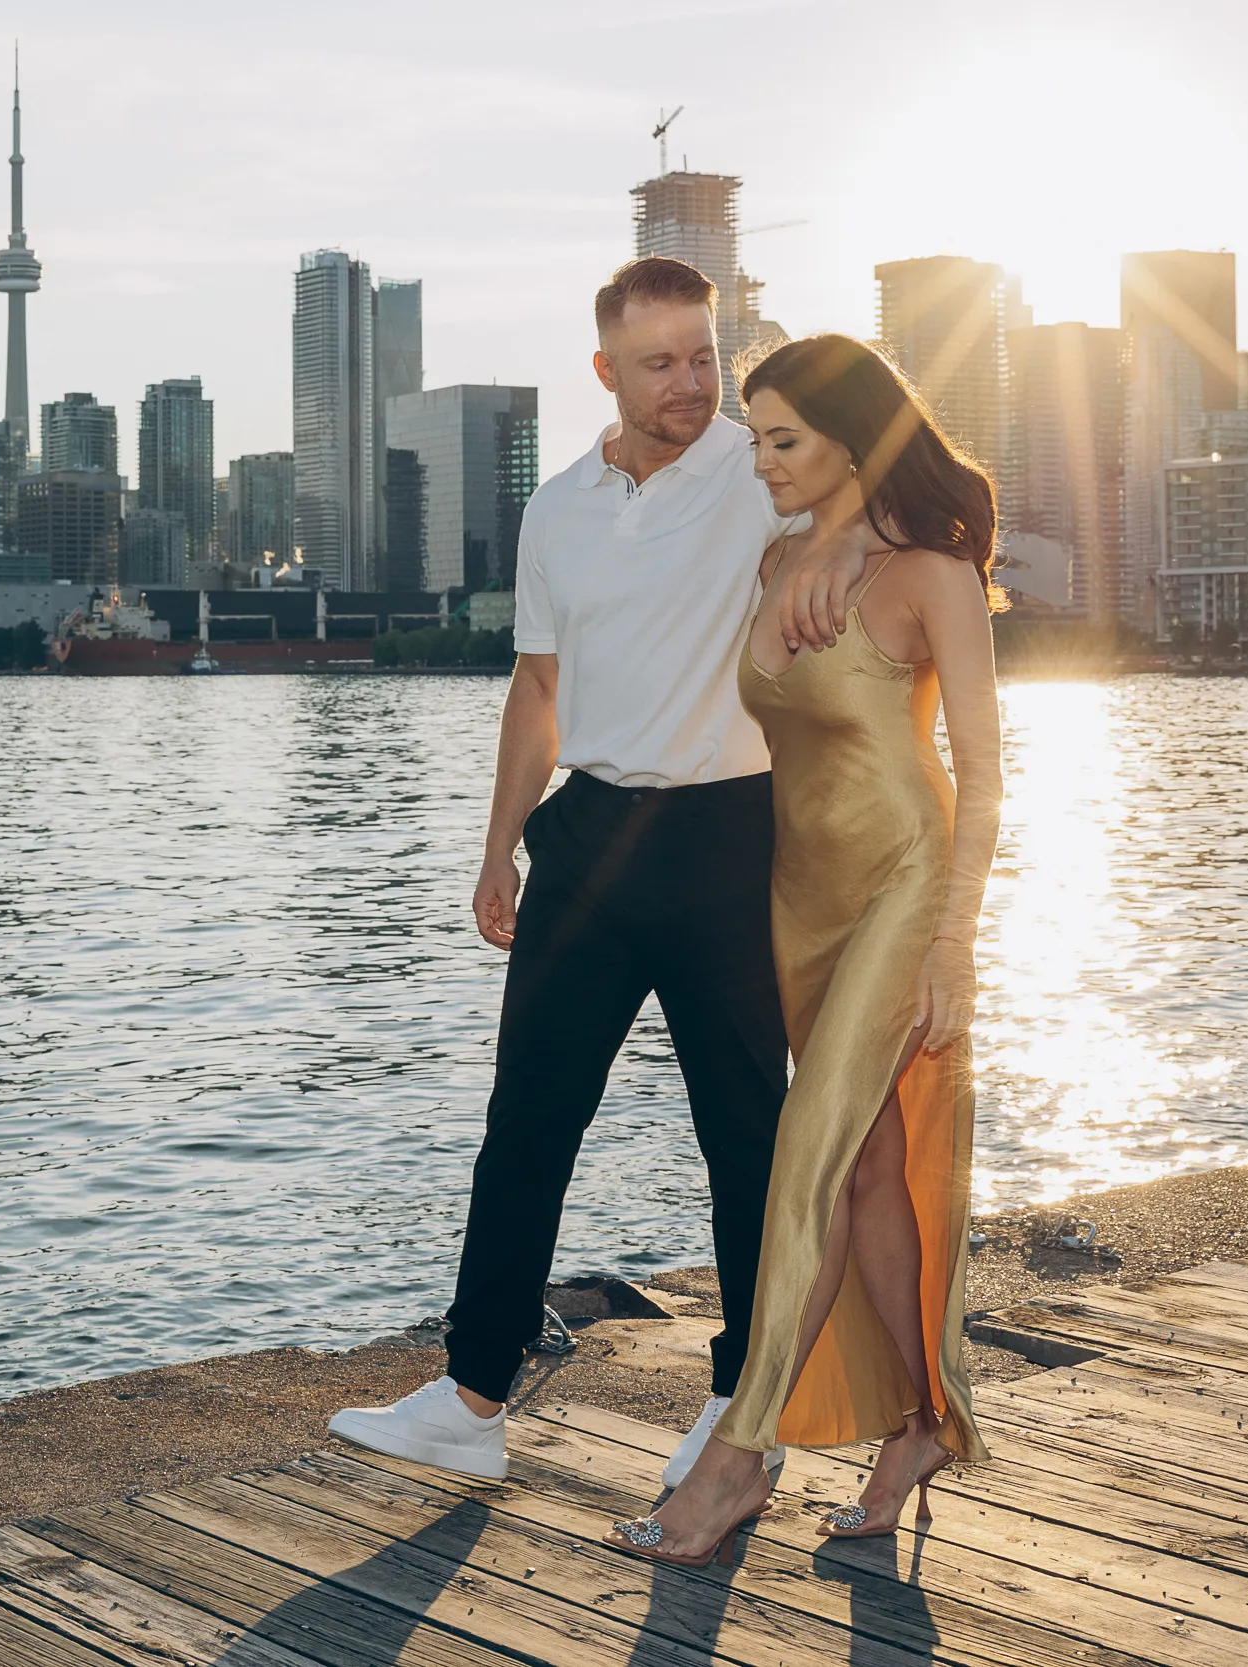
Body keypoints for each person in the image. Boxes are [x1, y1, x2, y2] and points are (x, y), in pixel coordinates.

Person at [327, 257, 858, 1485]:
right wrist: (498, 841)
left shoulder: (758, 470)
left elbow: (878, 499)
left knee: (745, 1135)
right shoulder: (557, 504)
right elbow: (538, 684)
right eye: (659, 361)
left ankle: (746, 1407)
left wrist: (829, 549)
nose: (688, 382)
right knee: (527, 1124)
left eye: (702, 355)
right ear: (605, 371)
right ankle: (470, 1399)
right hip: (586, 838)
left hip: (730, 835)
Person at [608, 333, 1001, 1565]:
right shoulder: (779, 557)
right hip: (799, 900)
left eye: (783, 438)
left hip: (900, 886)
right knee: (869, 1168)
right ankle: (924, 1419)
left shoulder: (929, 572)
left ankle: (737, 1454)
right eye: (757, 436)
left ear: (852, 436)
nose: (761, 458)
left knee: (808, 1156)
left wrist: (952, 946)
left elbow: (982, 780)